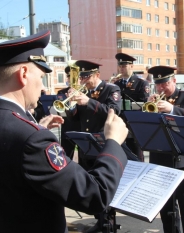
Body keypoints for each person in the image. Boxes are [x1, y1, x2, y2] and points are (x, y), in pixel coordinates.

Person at [0, 30, 129, 233]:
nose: (41, 87)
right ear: (23, 74)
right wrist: (113, 142)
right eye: (40, 76)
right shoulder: (33, 139)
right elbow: (95, 195)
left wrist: (35, 129)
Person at [65, 60, 122, 233]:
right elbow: (74, 119)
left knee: (106, 185)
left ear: (97, 74)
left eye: (87, 76)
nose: (83, 80)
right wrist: (71, 105)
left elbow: (113, 111)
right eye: (81, 77)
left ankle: (109, 223)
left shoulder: (111, 90)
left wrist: (88, 101)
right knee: (92, 184)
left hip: (104, 145)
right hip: (86, 147)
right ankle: (99, 220)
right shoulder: (84, 91)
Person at [147, 65, 184, 233]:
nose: (161, 88)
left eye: (165, 83)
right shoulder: (154, 99)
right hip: (160, 159)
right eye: (158, 84)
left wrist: (172, 109)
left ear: (174, 81)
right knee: (166, 207)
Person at [114, 53, 149, 161]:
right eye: (120, 66)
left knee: (136, 157)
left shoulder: (141, 83)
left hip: (134, 125)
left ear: (131, 66)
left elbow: (144, 104)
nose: (121, 69)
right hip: (120, 125)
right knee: (121, 157)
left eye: (124, 66)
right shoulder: (117, 83)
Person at [56, 65, 81, 159]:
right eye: (69, 77)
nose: (71, 79)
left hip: (81, 127)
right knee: (66, 157)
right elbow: (59, 111)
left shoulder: (85, 92)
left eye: (74, 77)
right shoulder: (61, 93)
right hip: (67, 128)